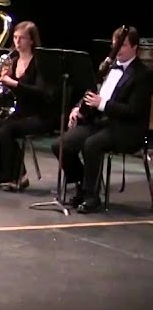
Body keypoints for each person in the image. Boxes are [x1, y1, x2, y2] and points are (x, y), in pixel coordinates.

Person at [52, 24, 152, 213]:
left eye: (121, 46)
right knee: (61, 145)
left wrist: (102, 104)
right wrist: (78, 108)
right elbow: (92, 91)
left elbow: (134, 111)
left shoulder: (143, 75)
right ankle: (82, 184)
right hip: (101, 123)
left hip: (127, 129)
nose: (116, 51)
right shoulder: (108, 68)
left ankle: (92, 196)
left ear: (134, 48)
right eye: (115, 46)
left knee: (92, 144)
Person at [0, 22, 53, 191]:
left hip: (39, 114)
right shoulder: (13, 61)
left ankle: (19, 176)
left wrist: (14, 84)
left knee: (6, 131)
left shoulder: (40, 62)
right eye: (15, 38)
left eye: (22, 38)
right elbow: (7, 93)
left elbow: (41, 92)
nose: (17, 42)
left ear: (32, 40)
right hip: (18, 112)